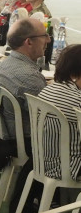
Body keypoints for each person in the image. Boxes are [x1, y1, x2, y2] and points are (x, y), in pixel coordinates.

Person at [0, 18, 48, 141]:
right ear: (29, 42)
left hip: (5, 136)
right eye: (45, 36)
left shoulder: (4, 65)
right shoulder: (30, 79)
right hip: (28, 142)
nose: (48, 40)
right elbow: (48, 120)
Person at [38, 44, 81, 181]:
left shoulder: (47, 90)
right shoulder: (77, 100)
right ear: (75, 74)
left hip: (42, 162)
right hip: (70, 167)